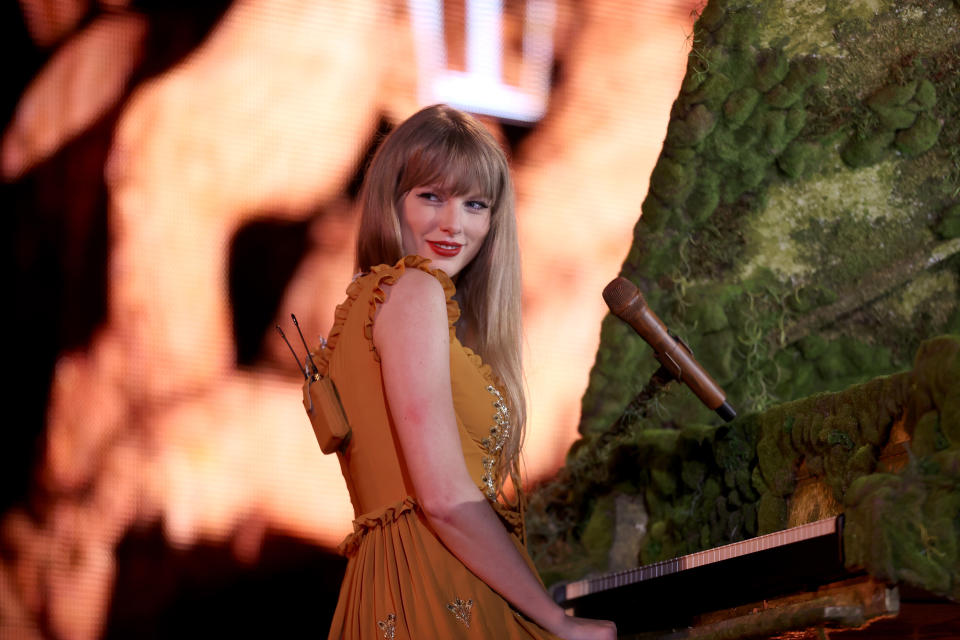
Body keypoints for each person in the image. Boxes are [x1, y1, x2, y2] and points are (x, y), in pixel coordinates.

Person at [316, 104, 617, 640]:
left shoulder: (363, 306)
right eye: (431, 196)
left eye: (475, 204)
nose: (454, 224)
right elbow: (447, 500)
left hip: (386, 593)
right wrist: (556, 621)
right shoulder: (413, 292)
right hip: (437, 592)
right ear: (392, 200)